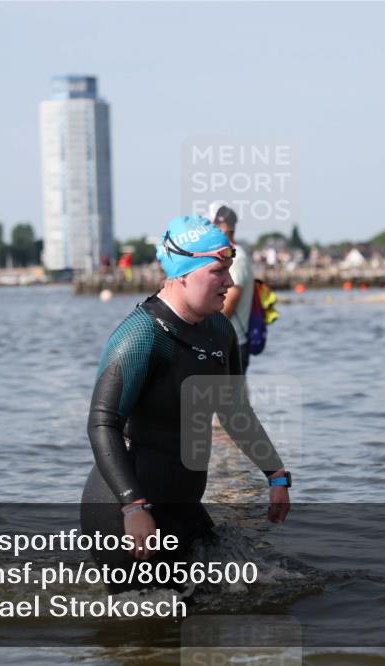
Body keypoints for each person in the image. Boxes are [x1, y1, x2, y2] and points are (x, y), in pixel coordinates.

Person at [80, 215, 291, 592]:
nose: (229, 282)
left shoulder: (218, 330)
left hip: (181, 505)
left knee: (240, 595)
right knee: (154, 633)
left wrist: (275, 475)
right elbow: (101, 424)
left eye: (228, 271)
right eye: (217, 272)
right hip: (123, 513)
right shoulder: (141, 336)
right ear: (182, 274)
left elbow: (234, 411)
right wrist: (133, 507)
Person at [207, 202, 255, 370]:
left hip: (233, 344)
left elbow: (227, 307)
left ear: (224, 227)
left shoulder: (236, 258)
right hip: (225, 341)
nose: (209, 230)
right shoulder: (227, 255)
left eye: (212, 225)